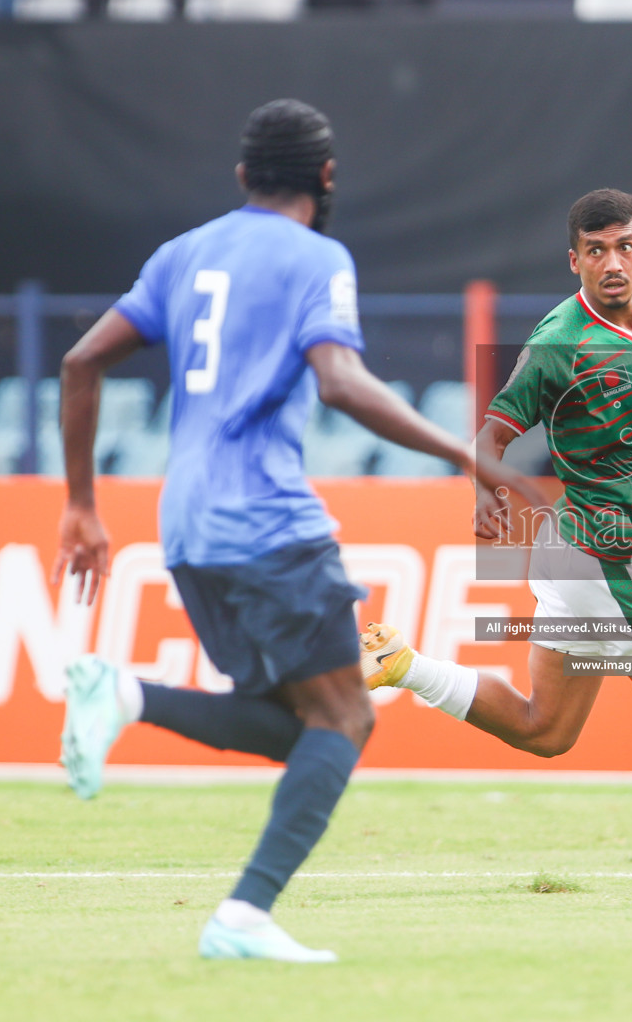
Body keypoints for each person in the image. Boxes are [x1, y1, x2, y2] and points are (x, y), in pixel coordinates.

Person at [51, 98, 540, 963]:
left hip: (188, 530)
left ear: (243, 177)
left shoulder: (184, 253)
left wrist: (82, 504)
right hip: (268, 523)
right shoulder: (318, 258)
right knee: (348, 718)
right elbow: (343, 381)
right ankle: (242, 917)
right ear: (326, 177)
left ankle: (127, 698)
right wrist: (468, 456)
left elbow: (81, 359)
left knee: (302, 721)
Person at [361, 188, 632, 892]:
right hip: (608, 559)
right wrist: (486, 491)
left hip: (575, 554)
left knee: (546, 728)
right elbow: (490, 434)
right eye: (595, 251)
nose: (611, 262)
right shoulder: (561, 344)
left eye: (623, 247)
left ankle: (404, 667)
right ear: (574, 261)